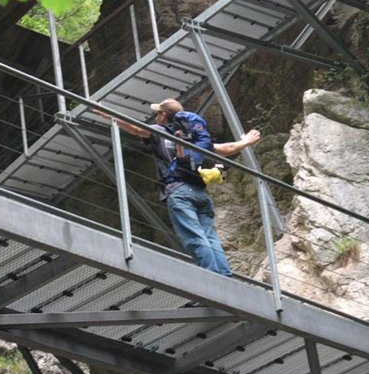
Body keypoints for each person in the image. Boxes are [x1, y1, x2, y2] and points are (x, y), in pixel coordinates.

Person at [93, 98, 261, 276]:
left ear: (163, 115)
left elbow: (135, 129)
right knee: (210, 236)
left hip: (179, 191)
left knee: (194, 237)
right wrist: (247, 141)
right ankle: (225, 275)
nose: (155, 117)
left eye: (157, 113)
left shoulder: (159, 131)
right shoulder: (197, 140)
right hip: (200, 193)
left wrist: (106, 113)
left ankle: (213, 277)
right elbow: (228, 149)